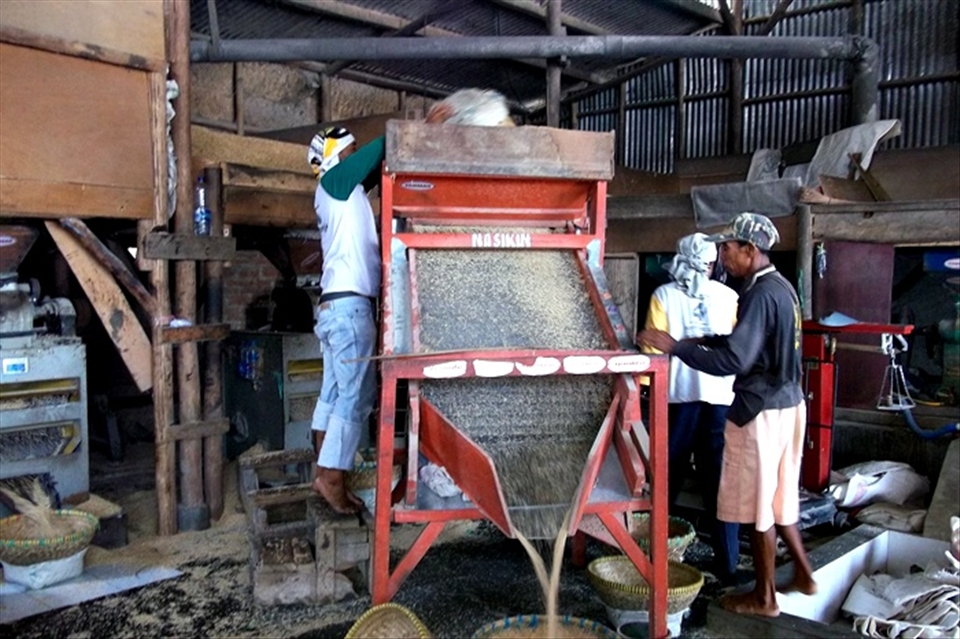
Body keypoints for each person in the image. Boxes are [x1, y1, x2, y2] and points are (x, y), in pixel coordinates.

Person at [638, 212, 816, 617]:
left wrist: (676, 347)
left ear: (750, 250)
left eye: (728, 248)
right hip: (789, 404)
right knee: (778, 500)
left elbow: (736, 357)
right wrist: (700, 339)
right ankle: (804, 573)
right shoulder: (780, 289)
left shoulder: (753, 294)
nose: (722, 257)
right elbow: (742, 340)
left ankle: (764, 597)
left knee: (755, 506)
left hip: (759, 410)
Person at [641, 232, 741, 585]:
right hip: (720, 401)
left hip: (676, 401)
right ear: (713, 264)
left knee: (666, 481)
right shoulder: (729, 297)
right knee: (719, 485)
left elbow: (652, 357)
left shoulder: (663, 296)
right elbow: (735, 350)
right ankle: (728, 565)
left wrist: (645, 396)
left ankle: (655, 560)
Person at [307, 126, 384, 514]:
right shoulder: (334, 182)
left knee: (335, 392)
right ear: (336, 155)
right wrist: (415, 132)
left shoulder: (343, 191)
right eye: (350, 150)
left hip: (336, 307)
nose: (357, 157)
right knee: (356, 397)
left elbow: (372, 170)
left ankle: (323, 470)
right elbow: (379, 149)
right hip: (349, 308)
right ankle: (332, 477)